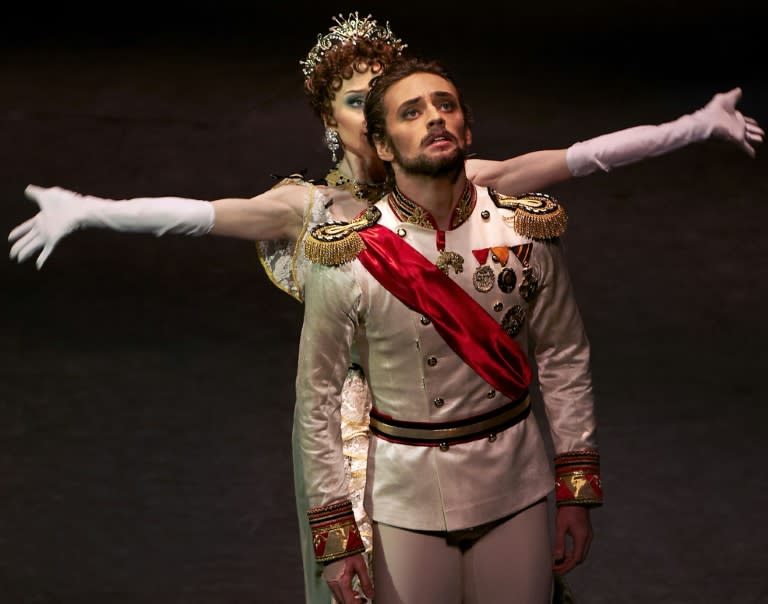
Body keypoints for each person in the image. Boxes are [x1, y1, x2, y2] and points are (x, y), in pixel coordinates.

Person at [6, 13, 763, 604]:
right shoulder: (306, 204)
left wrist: (693, 125)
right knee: (363, 579)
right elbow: (199, 214)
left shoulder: (467, 179)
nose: (380, 116)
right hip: (360, 416)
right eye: (358, 103)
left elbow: (578, 157)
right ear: (333, 123)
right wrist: (91, 208)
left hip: (480, 427)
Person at [295, 55, 601, 604]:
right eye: (411, 112)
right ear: (383, 145)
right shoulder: (348, 257)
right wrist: (337, 536)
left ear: (467, 127)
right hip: (405, 497)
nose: (434, 118)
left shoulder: (524, 230)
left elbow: (563, 355)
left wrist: (575, 486)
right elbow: (317, 401)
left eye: (446, 106)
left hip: (516, 485)